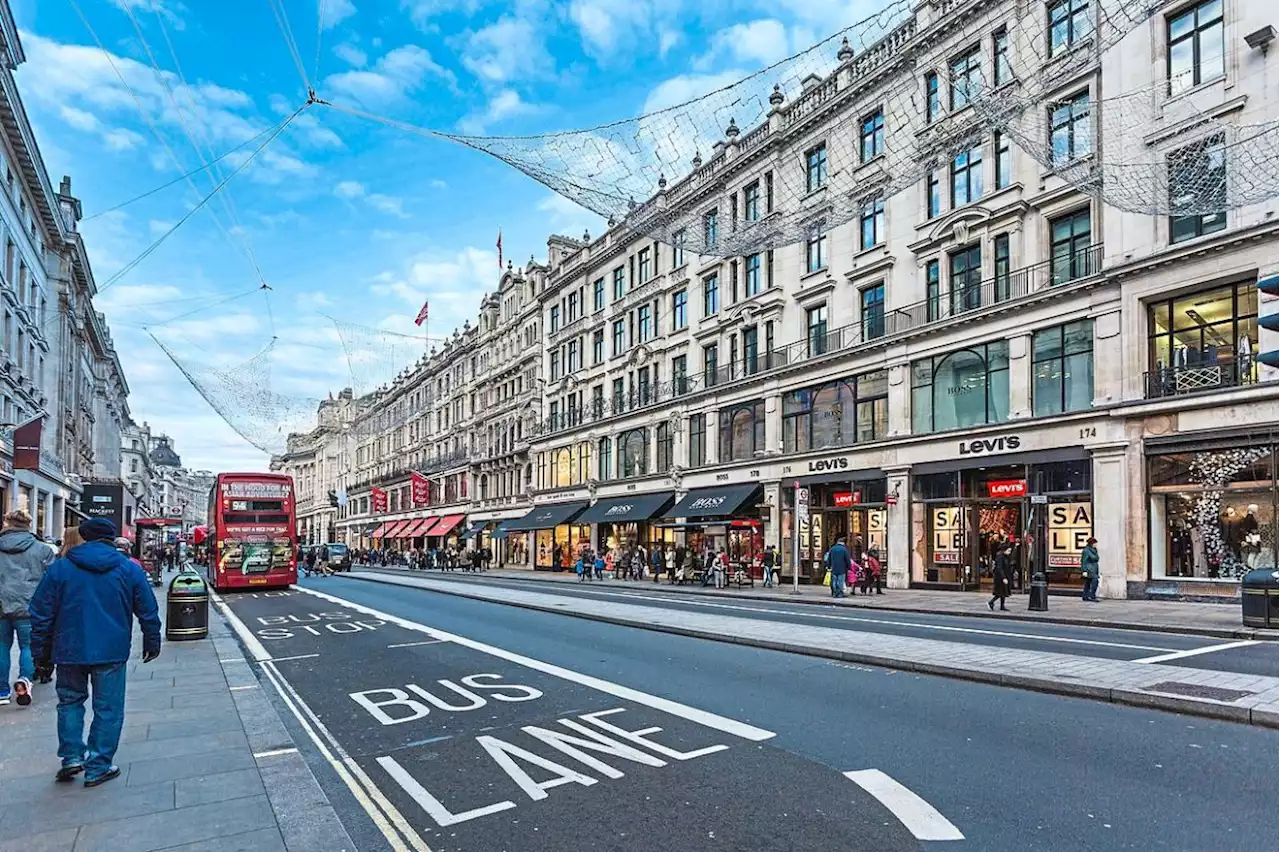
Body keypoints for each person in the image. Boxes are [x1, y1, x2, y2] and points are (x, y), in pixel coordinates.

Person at [29, 517, 161, 787]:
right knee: (109, 709)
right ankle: (98, 765)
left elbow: (40, 613)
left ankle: (71, 757)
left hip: (68, 648)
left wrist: (40, 653)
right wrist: (152, 639)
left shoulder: (60, 569)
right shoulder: (128, 569)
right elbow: (147, 608)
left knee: (69, 703)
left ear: (85, 537)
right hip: (111, 649)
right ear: (112, 539)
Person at [0, 509, 56, 707]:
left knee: (1, 647)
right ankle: (24, 681)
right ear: (28, 526)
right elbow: (51, 582)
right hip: (29, 606)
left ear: (7, 523)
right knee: (27, 646)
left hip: (1, 606)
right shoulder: (43, 550)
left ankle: (2, 691)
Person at [989, 541, 1015, 611]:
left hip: (1004, 576)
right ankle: (991, 602)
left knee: (1003, 592)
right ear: (1004, 550)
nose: (1009, 552)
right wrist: (1003, 578)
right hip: (999, 577)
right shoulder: (1000, 557)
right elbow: (999, 568)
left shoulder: (1005, 556)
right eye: (1009, 550)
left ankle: (1001, 606)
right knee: (1000, 592)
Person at [1080, 537, 1100, 602]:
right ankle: (1092, 596)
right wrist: (1084, 571)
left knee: (1087, 583)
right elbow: (1083, 561)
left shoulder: (1094, 550)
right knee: (1095, 582)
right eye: (1095, 543)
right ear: (1091, 543)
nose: (1096, 544)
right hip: (1089, 569)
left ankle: (1085, 596)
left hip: (1094, 569)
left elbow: (1096, 558)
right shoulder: (1086, 551)